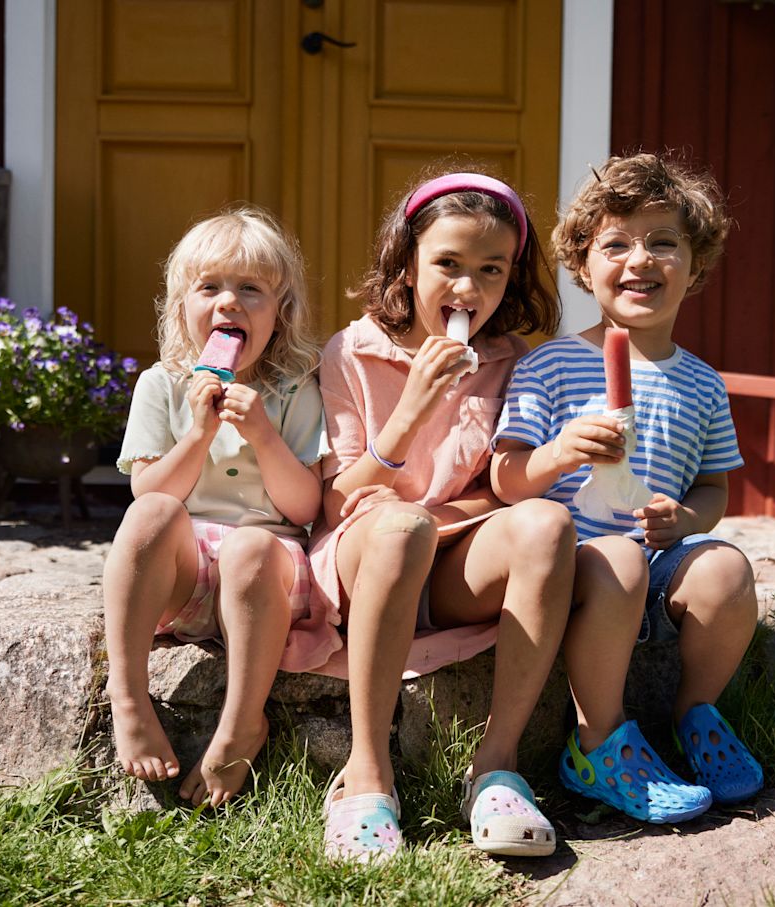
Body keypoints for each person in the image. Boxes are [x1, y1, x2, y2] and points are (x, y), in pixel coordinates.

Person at [307, 171, 574, 861]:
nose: (468, 288)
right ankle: (366, 774)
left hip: (452, 563)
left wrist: (438, 513)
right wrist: (409, 414)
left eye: (491, 270)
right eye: (448, 264)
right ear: (406, 263)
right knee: (401, 526)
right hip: (366, 557)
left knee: (546, 525)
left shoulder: (513, 362)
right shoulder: (351, 352)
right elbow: (337, 500)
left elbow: (508, 490)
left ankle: (496, 767)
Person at [491, 151, 763, 823]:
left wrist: (686, 520)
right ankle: (599, 741)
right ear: (583, 267)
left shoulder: (702, 382)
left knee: (727, 568)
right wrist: (558, 453)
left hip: (657, 556)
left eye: (663, 242)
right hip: (580, 566)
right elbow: (505, 477)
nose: (639, 259)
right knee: (613, 557)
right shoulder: (551, 365)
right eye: (616, 243)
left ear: (695, 267)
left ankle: (694, 714)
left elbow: (713, 489)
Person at [103, 207, 328, 809]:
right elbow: (148, 494)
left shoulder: (294, 388)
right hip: (185, 577)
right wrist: (197, 435)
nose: (228, 303)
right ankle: (129, 698)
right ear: (183, 308)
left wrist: (263, 435)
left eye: (250, 290)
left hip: (265, 575)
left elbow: (305, 504)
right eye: (210, 288)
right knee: (147, 517)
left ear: (280, 315)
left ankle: (240, 725)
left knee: (254, 545)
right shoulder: (162, 384)